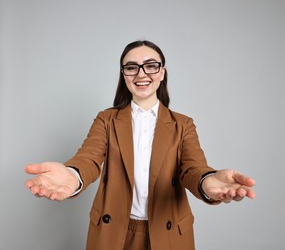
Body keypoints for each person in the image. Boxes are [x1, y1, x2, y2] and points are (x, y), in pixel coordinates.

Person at [25, 40, 256, 250]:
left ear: (162, 73)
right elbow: (89, 159)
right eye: (131, 67)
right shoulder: (106, 120)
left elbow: (192, 169)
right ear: (124, 75)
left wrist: (208, 181)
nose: (141, 73)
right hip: (114, 231)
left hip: (168, 232)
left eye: (151, 65)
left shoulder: (183, 124)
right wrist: (72, 174)